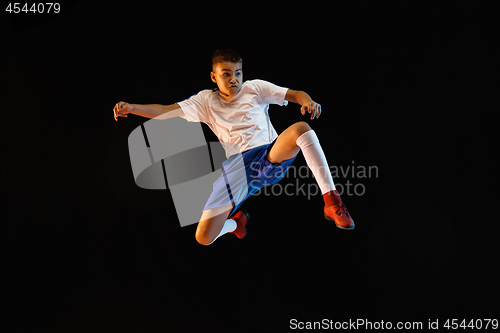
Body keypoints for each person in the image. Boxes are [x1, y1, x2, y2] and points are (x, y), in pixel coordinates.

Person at [113, 49, 354, 246]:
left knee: (301, 128)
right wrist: (132, 107)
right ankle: (236, 224)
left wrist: (307, 101)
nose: (234, 79)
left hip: (269, 155)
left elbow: (295, 94)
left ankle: (332, 202)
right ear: (213, 77)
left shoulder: (255, 88)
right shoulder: (205, 101)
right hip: (237, 169)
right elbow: (166, 111)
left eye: (237, 73)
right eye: (226, 74)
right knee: (203, 237)